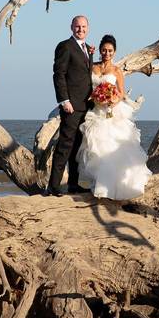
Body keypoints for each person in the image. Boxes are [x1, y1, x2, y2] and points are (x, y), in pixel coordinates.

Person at [77, 34, 152, 200]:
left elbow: (121, 93)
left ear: (114, 52)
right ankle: (99, 184)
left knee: (112, 147)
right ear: (100, 50)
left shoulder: (117, 71)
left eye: (110, 50)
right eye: (104, 50)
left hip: (112, 112)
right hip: (96, 111)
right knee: (96, 148)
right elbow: (88, 88)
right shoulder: (93, 67)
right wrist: (96, 97)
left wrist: (111, 100)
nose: (106, 53)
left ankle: (114, 187)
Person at [48, 15, 94, 196]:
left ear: (87, 28)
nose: (80, 29)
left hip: (85, 106)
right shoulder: (65, 46)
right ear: (71, 27)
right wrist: (64, 100)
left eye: (83, 27)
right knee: (64, 146)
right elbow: (58, 75)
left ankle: (74, 185)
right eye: (77, 26)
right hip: (71, 106)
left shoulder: (87, 49)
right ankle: (54, 186)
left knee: (77, 147)